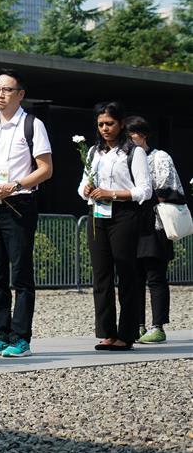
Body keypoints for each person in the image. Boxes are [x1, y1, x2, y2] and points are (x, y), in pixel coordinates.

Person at [0, 70, 53, 358]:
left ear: (20, 94)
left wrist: (15, 184)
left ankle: (21, 338)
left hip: (19, 204)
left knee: (20, 273)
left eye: (7, 90)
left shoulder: (32, 125)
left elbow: (45, 169)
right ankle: (1, 334)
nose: (0, 95)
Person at [79, 102, 152, 351]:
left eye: (109, 123)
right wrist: (86, 189)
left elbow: (144, 190)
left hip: (124, 215)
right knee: (101, 275)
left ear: (121, 123)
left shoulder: (134, 152)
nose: (104, 129)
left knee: (127, 273)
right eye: (100, 124)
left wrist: (114, 193)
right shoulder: (93, 153)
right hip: (97, 214)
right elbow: (81, 186)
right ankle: (107, 332)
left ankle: (127, 333)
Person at [126, 115, 185, 344]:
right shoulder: (125, 158)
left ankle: (157, 325)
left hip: (155, 224)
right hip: (131, 225)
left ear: (143, 135)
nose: (130, 142)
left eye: (132, 136)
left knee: (155, 277)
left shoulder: (159, 157)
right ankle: (138, 324)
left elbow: (168, 188)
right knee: (134, 277)